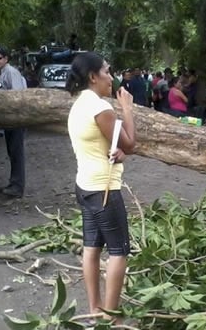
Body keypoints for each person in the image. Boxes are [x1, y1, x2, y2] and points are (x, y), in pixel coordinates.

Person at [66, 52, 135, 324]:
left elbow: (109, 146)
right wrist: (128, 109)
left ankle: (95, 311)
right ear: (93, 77)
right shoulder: (100, 108)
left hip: (85, 186)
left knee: (91, 248)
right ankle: (111, 318)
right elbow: (130, 143)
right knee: (119, 251)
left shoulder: (79, 104)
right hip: (104, 190)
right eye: (107, 72)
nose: (111, 77)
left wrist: (120, 152)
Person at [0, 45, 27, 197]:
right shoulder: (1, 74)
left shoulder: (11, 72)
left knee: (16, 153)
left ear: (6, 59)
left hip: (16, 117)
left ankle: (17, 187)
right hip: (9, 119)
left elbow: (17, 95)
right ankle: (14, 183)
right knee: (12, 152)